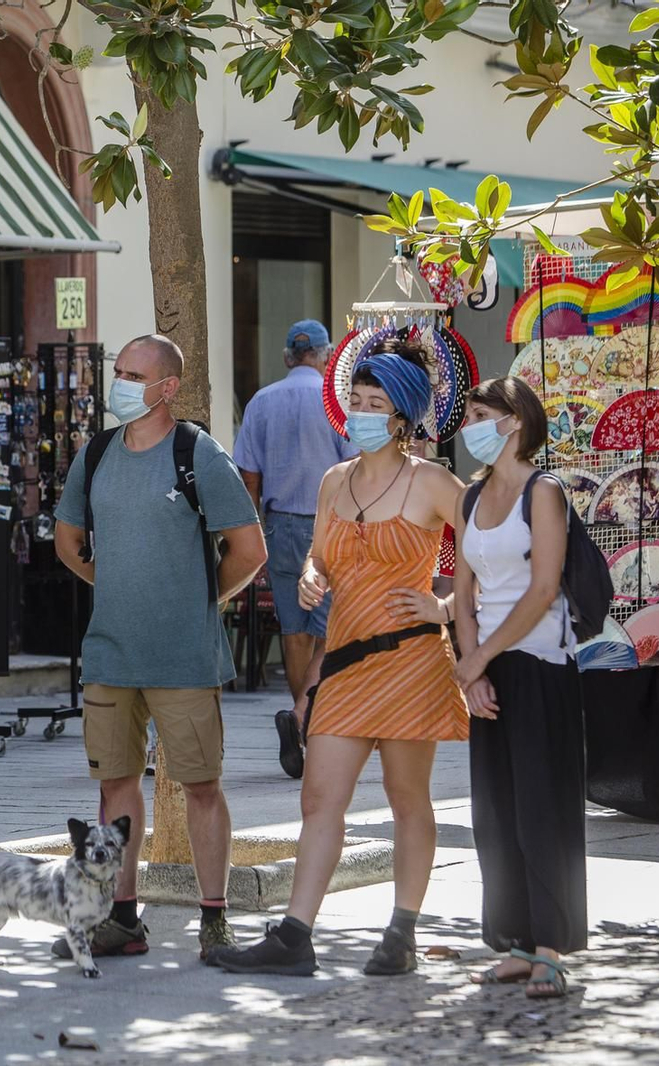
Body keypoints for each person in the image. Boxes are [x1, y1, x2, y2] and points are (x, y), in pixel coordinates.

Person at [210, 339, 467, 977]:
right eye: (355, 400)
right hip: (346, 659)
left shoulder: (431, 480)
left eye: (376, 403)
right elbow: (322, 557)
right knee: (319, 799)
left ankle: (401, 932)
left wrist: (449, 605)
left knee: (408, 798)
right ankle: (296, 935)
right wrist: (310, 575)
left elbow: (494, 544)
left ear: (403, 416)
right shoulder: (333, 480)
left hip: (410, 660)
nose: (361, 412)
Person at [53, 334, 268, 961]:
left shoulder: (198, 454)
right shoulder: (93, 454)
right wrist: (117, 583)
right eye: (117, 371)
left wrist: (200, 599)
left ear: (166, 388)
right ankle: (121, 918)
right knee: (114, 789)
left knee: (201, 784)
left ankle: (214, 918)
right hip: (111, 654)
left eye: (131, 373)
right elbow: (70, 544)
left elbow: (248, 551)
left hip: (183, 656)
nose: (117, 382)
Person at [449, 377, 585, 999]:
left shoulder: (544, 491)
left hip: (537, 660)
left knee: (542, 810)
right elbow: (464, 592)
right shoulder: (471, 496)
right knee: (495, 811)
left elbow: (543, 591)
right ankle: (514, 942)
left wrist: (480, 660)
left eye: (481, 415)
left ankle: (551, 949)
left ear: (512, 422)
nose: (470, 425)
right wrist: (470, 660)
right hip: (488, 661)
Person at [233, 319, 356, 779]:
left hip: (279, 525)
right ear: (326, 356)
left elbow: (248, 476)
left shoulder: (263, 401)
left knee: (293, 629)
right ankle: (308, 718)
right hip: (331, 525)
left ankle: (301, 717)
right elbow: (354, 468)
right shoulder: (336, 400)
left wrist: (252, 532)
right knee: (331, 629)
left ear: (288, 356)